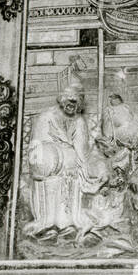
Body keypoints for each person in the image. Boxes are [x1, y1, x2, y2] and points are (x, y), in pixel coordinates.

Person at [24, 85, 97, 241]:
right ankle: (47, 225)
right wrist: (49, 159)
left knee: (71, 184)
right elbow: (37, 143)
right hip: (49, 166)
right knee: (51, 184)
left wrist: (83, 166)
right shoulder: (47, 116)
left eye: (75, 103)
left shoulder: (79, 121)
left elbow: (81, 147)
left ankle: (67, 225)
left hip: (70, 166)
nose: (72, 106)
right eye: (69, 101)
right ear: (62, 101)